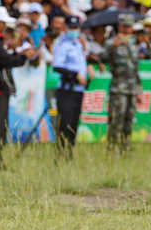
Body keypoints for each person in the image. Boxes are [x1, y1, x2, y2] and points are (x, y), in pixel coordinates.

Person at [0, 6, 37, 167]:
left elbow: (3, 58)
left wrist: (15, 52)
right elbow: (6, 61)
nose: (5, 26)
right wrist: (23, 56)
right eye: (3, 22)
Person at [98, 13, 140, 154]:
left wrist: (139, 89)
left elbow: (135, 69)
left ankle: (125, 147)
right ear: (119, 26)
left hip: (132, 88)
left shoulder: (133, 45)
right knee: (116, 119)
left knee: (129, 120)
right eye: (125, 26)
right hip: (118, 88)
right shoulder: (111, 43)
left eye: (129, 27)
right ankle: (112, 149)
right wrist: (112, 46)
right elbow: (101, 58)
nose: (127, 29)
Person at [51, 16, 89, 160]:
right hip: (67, 89)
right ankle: (60, 154)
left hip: (78, 90)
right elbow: (57, 66)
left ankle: (69, 154)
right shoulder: (62, 44)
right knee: (65, 123)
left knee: (73, 123)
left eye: (76, 28)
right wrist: (74, 75)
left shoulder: (78, 44)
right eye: (71, 28)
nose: (73, 30)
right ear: (65, 28)